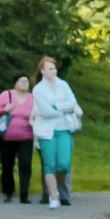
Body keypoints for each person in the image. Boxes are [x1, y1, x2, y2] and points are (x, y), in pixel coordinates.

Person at [30, 55, 84, 207]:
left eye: (54, 68)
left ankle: (58, 189)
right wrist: (63, 108)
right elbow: (46, 112)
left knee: (64, 164)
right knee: (49, 164)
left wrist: (56, 107)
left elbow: (72, 102)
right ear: (42, 71)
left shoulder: (63, 85)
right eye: (50, 69)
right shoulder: (38, 89)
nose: (53, 71)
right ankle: (53, 197)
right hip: (46, 131)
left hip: (64, 128)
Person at [0, 75, 36, 204]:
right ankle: (8, 192)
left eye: (26, 81)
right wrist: (5, 110)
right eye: (21, 80)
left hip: (26, 137)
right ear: (15, 83)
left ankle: (24, 194)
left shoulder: (33, 98)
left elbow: (39, 114)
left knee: (26, 164)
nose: (25, 83)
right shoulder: (6, 95)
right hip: (6, 138)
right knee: (7, 165)